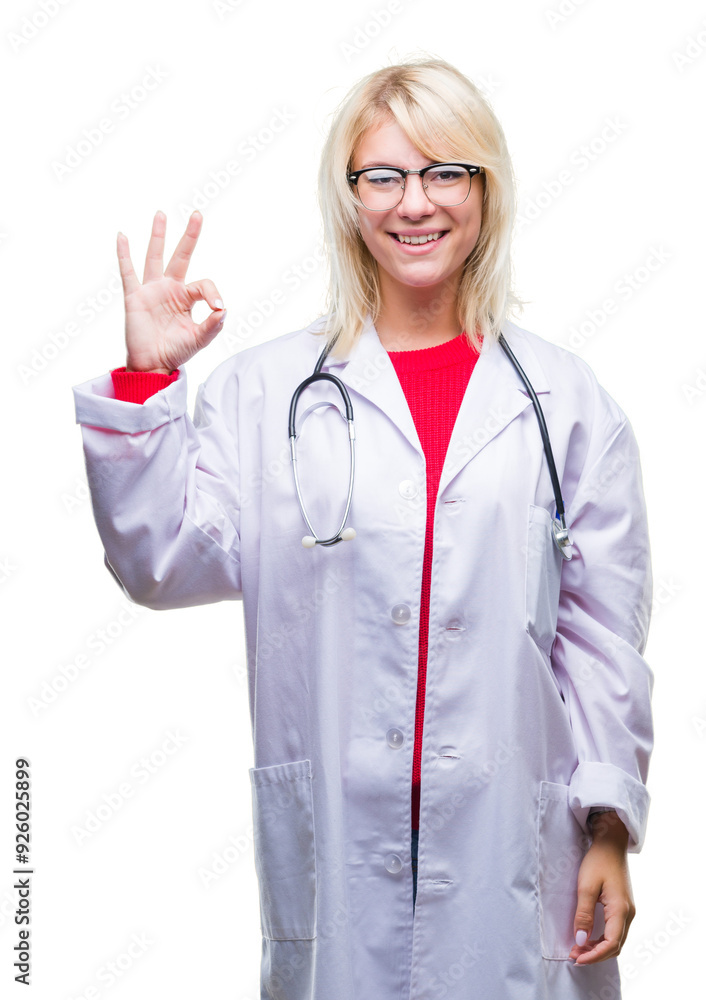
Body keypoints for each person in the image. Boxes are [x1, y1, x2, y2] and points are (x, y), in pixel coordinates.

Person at [72, 57, 654, 1000]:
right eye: (382, 176)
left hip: (516, 857)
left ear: (486, 188)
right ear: (348, 198)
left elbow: (601, 641)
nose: (414, 203)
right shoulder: (267, 393)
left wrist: (610, 829)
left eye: (445, 171)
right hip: (341, 857)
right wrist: (148, 380)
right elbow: (160, 561)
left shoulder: (567, 403)